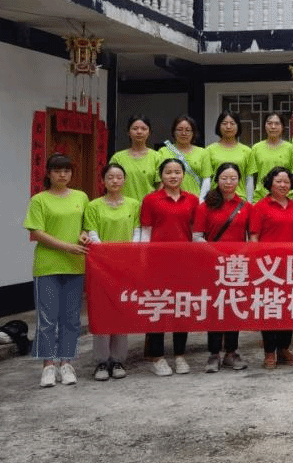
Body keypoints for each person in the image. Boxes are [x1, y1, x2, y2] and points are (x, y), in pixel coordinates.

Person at [24, 153, 89, 388]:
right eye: (58, 171)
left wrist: (83, 235)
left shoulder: (81, 197)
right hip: (48, 266)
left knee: (71, 319)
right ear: (49, 174)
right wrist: (66, 247)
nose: (63, 175)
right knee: (47, 319)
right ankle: (48, 366)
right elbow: (36, 232)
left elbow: (87, 225)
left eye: (67, 171)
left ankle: (66, 363)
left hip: (75, 265)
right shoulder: (39, 200)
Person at [139, 157, 199, 376]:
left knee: (181, 307)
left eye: (177, 172)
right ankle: (157, 356)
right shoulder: (151, 199)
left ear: (183, 175)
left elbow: (195, 231)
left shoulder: (192, 200)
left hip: (184, 261)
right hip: (157, 261)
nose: (173, 176)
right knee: (158, 306)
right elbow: (145, 230)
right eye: (168, 172)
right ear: (161, 176)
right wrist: (143, 258)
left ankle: (180, 355)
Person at [83, 162, 140, 381]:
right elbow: (92, 233)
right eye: (110, 177)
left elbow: (137, 231)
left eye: (119, 177)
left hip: (126, 265)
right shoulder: (94, 206)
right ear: (103, 181)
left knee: (121, 310)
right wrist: (107, 257)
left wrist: (130, 255)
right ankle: (101, 361)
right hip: (101, 266)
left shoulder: (134, 204)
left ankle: (118, 360)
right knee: (102, 311)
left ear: (124, 180)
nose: (115, 181)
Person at [194, 163, 253, 373]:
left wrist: (242, 254)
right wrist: (217, 254)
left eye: (233, 178)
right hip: (212, 264)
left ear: (239, 181)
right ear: (217, 180)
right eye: (224, 178)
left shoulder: (245, 206)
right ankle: (213, 354)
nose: (229, 182)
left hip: (237, 265)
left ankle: (231, 352)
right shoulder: (205, 206)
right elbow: (197, 237)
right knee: (215, 308)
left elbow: (250, 237)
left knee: (233, 307)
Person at [248, 166, 293, 369]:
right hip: (268, 267)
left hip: (291, 266)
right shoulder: (260, 206)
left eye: (286, 182)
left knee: (288, 307)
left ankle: (283, 348)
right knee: (270, 308)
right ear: (270, 183)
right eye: (278, 181)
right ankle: (269, 352)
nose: (283, 185)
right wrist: (257, 263)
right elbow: (254, 237)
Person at [158, 114, 212, 199]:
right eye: (179, 130)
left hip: (194, 199)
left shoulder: (202, 152)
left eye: (188, 130)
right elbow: (160, 180)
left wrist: (201, 200)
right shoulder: (163, 151)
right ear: (174, 132)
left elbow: (206, 180)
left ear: (193, 133)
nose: (183, 133)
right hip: (169, 200)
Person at [205, 110, 254, 200]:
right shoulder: (209, 150)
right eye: (224, 123)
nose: (228, 127)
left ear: (238, 126)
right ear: (219, 126)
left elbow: (249, 180)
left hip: (239, 199)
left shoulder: (247, 151)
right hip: (216, 200)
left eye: (232, 123)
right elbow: (206, 179)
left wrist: (249, 202)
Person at [110, 114, 159, 202]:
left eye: (143, 129)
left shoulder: (157, 157)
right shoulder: (118, 158)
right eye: (135, 128)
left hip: (149, 206)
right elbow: (110, 183)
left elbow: (161, 186)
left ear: (149, 132)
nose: (139, 132)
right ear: (128, 132)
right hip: (124, 206)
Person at [250, 112, 293, 203]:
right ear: (265, 126)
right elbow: (252, 177)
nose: (273, 127)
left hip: (285, 198)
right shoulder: (256, 148)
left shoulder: (290, 148)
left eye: (277, 123)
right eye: (269, 123)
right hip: (261, 198)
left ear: (282, 127)